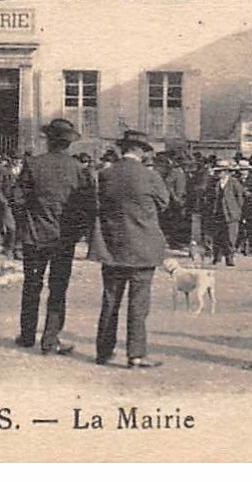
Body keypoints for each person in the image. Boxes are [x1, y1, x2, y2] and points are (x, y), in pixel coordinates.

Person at [11, 118, 94, 356]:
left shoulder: (33, 165)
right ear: (68, 144)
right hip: (63, 240)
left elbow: (16, 199)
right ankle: (50, 339)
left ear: (48, 140)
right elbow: (87, 207)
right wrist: (75, 233)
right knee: (58, 289)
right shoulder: (79, 170)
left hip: (34, 236)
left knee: (31, 286)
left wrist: (25, 223)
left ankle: (27, 336)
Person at [92, 129, 169, 368]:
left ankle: (104, 352)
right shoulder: (150, 176)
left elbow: (99, 205)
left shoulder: (106, 174)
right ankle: (135, 354)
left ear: (123, 149)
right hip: (143, 248)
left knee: (110, 301)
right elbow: (165, 203)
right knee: (138, 304)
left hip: (113, 246)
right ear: (140, 150)